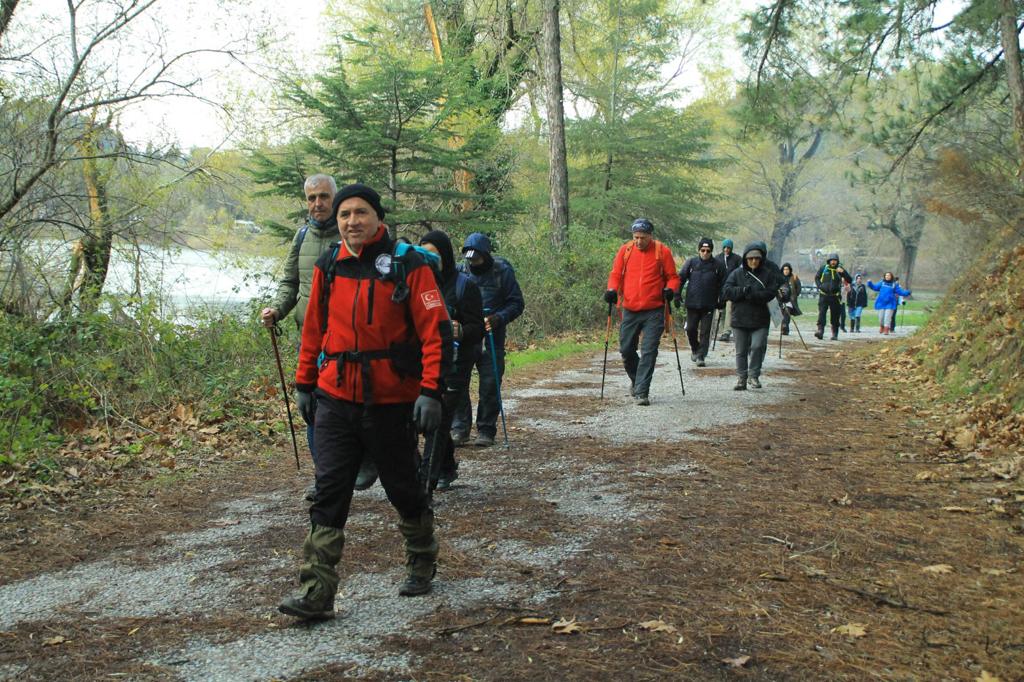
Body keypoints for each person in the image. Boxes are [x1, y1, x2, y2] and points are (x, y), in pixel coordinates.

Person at [278, 183, 453, 620]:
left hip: (392, 400)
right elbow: (313, 330)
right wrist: (305, 383)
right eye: (344, 215)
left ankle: (421, 558)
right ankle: (317, 592)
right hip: (335, 397)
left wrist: (431, 392)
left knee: (403, 487)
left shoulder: (408, 263)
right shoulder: (329, 265)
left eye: (360, 213)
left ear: (378, 218)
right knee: (329, 491)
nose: (352, 221)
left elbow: (436, 331)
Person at [260, 174, 344, 499]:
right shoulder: (302, 236)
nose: (317, 203)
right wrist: (277, 311)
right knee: (310, 406)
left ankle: (358, 463)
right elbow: (290, 283)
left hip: (349, 341)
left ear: (334, 198)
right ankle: (324, 476)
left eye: (323, 196)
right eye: (311, 198)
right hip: (309, 340)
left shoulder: (351, 232)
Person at [418, 230, 484, 490]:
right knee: (431, 420)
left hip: (457, 362)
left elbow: (478, 327)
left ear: (445, 255)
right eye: (424, 256)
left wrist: (461, 330)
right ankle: (446, 467)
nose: (429, 262)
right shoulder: (416, 283)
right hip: (424, 361)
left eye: (434, 256)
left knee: (439, 420)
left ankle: (426, 483)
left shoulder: (463, 285)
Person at [452, 233, 525, 447]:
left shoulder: (502, 272)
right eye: (469, 258)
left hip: (492, 336)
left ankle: (486, 430)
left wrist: (498, 318)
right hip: (465, 336)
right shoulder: (459, 271)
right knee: (458, 381)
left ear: (486, 255)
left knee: (490, 383)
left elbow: (516, 303)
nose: (472, 263)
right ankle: (459, 428)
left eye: (476, 259)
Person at [604, 218, 681, 405]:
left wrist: (670, 290)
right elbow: (615, 274)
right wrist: (612, 290)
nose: (638, 241)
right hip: (629, 308)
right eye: (636, 237)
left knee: (649, 351)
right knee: (626, 349)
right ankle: (637, 379)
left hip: (654, 310)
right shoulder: (626, 250)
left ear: (650, 236)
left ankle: (642, 392)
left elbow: (673, 278)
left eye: (642, 237)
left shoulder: (662, 251)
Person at [720, 241, 786, 390]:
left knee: (758, 346)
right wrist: (742, 291)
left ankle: (754, 375)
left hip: (760, 319)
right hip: (739, 318)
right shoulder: (736, 273)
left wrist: (755, 295)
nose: (754, 261)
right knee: (741, 350)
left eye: (757, 258)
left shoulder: (768, 274)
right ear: (745, 259)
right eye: (750, 258)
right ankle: (741, 378)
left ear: (761, 259)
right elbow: (726, 291)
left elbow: (771, 292)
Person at [674, 237, 726, 367]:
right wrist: (677, 294)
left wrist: (722, 299)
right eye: (702, 250)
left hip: (709, 303)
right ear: (699, 250)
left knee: (705, 331)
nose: (705, 253)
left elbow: (724, 284)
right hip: (692, 302)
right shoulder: (691, 263)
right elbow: (681, 278)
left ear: (711, 251)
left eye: (708, 250)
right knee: (691, 329)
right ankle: (695, 349)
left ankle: (701, 355)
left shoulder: (718, 265)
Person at [813, 252, 852, 341]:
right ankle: (820, 331)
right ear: (829, 261)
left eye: (835, 260)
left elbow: (849, 280)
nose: (833, 262)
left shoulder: (840, 270)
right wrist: (820, 286)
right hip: (823, 295)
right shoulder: (823, 268)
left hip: (835, 296)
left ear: (837, 261)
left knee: (835, 316)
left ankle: (835, 333)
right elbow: (817, 278)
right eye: (832, 260)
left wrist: (844, 273)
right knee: (822, 314)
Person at [715, 238, 742, 342]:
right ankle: (721, 331)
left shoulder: (737, 259)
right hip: (720, 288)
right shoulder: (717, 258)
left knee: (729, 310)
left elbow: (740, 272)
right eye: (725, 247)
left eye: (728, 247)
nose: (726, 249)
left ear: (731, 248)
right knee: (720, 311)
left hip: (732, 289)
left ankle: (727, 332)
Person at [779, 262, 802, 335]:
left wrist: (795, 295)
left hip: (790, 300)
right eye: (784, 269)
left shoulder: (794, 278)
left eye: (787, 269)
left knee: (787, 313)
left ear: (790, 270)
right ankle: (785, 329)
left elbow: (798, 287)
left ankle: (784, 326)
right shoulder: (779, 278)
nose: (786, 271)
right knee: (783, 314)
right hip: (780, 300)